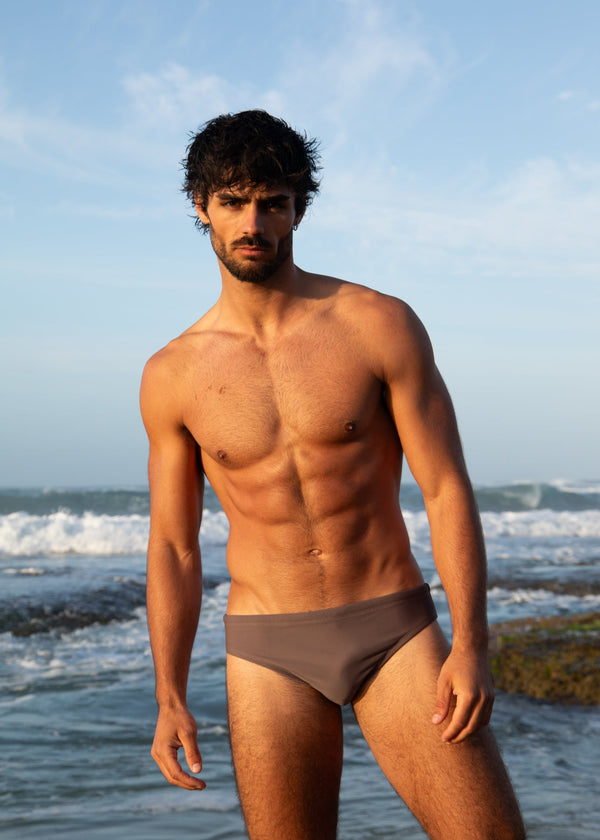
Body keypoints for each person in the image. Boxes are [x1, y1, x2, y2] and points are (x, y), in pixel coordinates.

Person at [140, 109, 526, 840]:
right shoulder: (171, 375)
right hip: (266, 649)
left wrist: (472, 644)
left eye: (272, 202)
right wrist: (170, 695)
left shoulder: (378, 324)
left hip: (395, 631)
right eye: (232, 202)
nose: (252, 222)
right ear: (201, 206)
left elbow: (445, 490)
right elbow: (173, 548)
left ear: (298, 209)